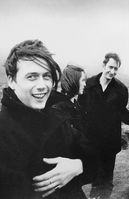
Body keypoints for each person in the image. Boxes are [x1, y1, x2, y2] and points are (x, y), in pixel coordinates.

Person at [0, 40, 92, 199]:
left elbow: (92, 154)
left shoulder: (57, 118)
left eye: (46, 76)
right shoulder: (4, 131)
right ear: (11, 80)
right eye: (32, 77)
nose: (42, 85)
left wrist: (79, 165)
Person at [80, 53, 129, 199]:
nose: (113, 71)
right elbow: (79, 111)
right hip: (89, 142)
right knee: (88, 177)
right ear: (103, 65)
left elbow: (123, 113)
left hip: (109, 144)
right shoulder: (88, 85)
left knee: (105, 182)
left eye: (116, 69)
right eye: (110, 67)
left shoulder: (121, 89)